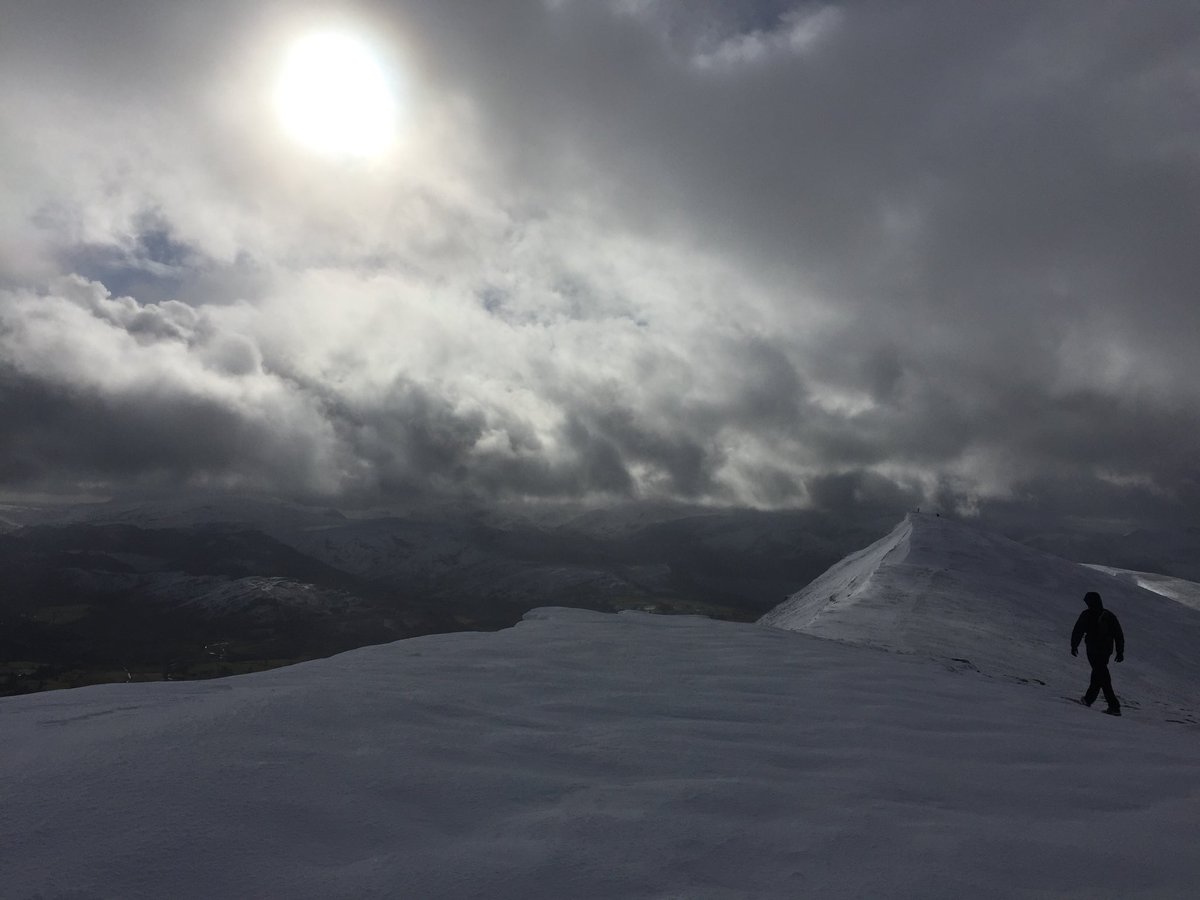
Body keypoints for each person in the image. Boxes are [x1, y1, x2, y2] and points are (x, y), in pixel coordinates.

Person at [1070, 591, 1125, 715]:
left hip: (1093, 649)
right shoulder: (1109, 615)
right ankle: (1089, 699)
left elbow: (1078, 630)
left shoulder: (1087, 614)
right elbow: (1118, 635)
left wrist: (1074, 645)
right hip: (1106, 650)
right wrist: (1119, 652)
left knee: (1102, 676)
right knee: (1099, 674)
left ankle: (1114, 705)